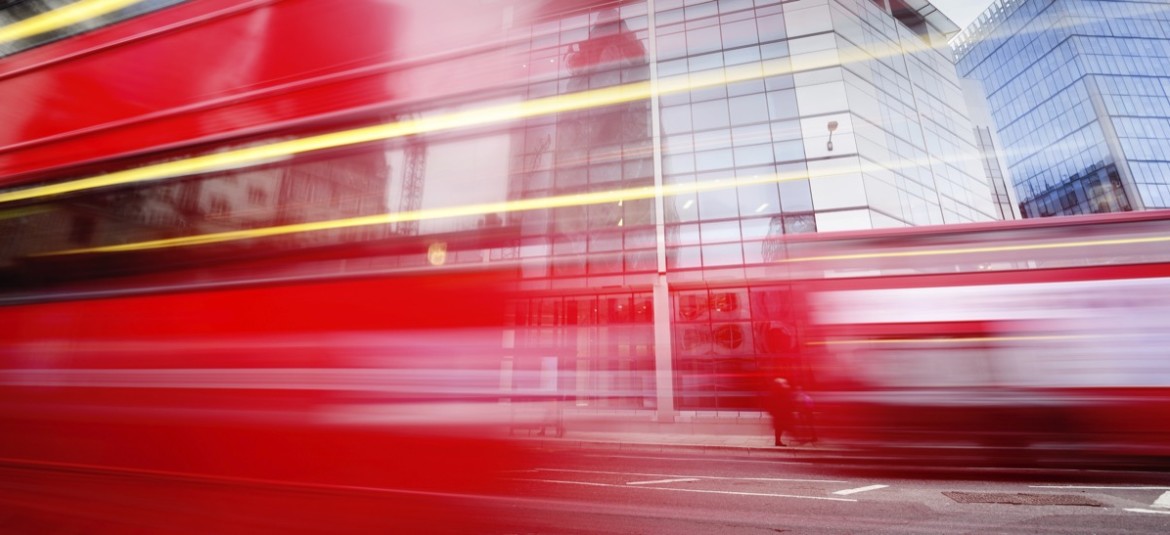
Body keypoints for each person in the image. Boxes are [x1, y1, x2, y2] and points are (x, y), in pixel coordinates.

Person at [766, 378, 794, 447]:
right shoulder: (779, 392)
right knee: (779, 428)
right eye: (784, 383)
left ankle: (778, 441)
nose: (786, 384)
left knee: (779, 428)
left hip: (779, 413)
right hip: (779, 413)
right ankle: (778, 441)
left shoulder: (776, 392)